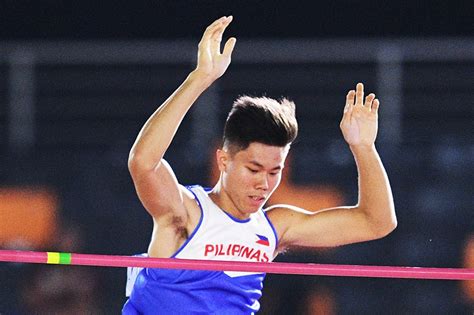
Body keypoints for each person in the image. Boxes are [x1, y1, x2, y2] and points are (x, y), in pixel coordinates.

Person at [123, 16, 397, 314]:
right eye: (253, 170)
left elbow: (377, 221)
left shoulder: (275, 227)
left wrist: (363, 147)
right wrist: (199, 78)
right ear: (223, 160)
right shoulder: (184, 211)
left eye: (274, 172)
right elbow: (144, 162)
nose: (264, 184)